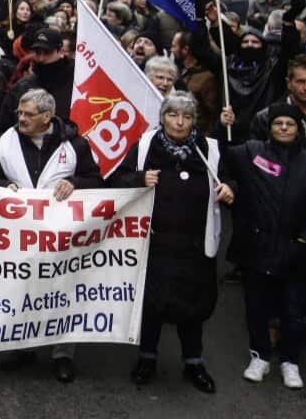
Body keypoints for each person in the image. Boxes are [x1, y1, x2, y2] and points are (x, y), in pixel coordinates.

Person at [0, 88, 101, 383]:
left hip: (61, 236)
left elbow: (95, 179)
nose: (21, 119)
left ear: (47, 117)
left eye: (28, 114)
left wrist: (74, 183)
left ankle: (62, 354)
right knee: (23, 289)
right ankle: (24, 346)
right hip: (19, 234)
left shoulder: (74, 144)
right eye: (19, 113)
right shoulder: (5, 142)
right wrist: (2, 185)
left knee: (61, 290)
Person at [114, 92, 233, 393]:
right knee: (152, 305)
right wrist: (138, 179)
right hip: (155, 243)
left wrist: (231, 190)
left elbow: (232, 181)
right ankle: (147, 358)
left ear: (194, 120)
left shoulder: (211, 149)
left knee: (193, 307)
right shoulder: (144, 146)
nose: (179, 122)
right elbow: (117, 180)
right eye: (173, 115)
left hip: (195, 245)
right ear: (162, 117)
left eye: (187, 116)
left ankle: (193, 361)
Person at [223, 102, 306, 390]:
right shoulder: (251, 152)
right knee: (256, 308)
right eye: (278, 123)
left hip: (296, 252)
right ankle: (259, 357)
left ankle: (290, 362)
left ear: (299, 129)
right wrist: (227, 124)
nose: (284, 128)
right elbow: (223, 156)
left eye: (290, 124)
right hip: (257, 248)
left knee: (294, 312)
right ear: (269, 127)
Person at [246, 54, 306, 354]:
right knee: (275, 266)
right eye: (300, 81)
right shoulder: (266, 117)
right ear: (288, 81)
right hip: (277, 207)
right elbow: (253, 161)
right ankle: (274, 322)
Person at [0, 27, 76, 132]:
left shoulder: (76, 83)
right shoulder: (22, 86)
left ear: (60, 52)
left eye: (47, 52)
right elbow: (4, 127)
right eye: (38, 52)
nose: (41, 58)